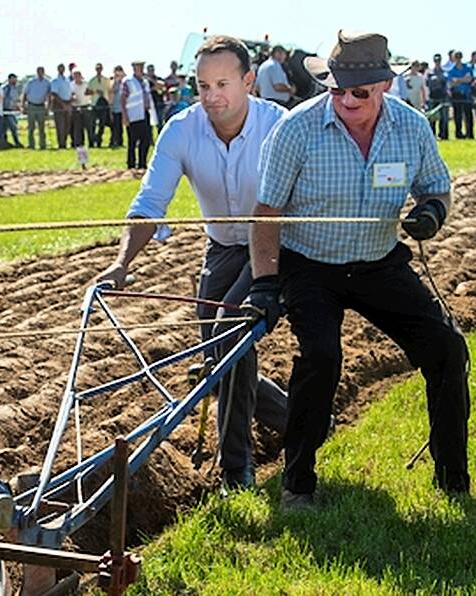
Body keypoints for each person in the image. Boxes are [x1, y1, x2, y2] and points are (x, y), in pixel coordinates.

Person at [249, 30, 470, 510]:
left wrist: (431, 213)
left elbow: (437, 188)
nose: (346, 99)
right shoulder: (295, 129)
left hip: (378, 261)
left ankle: (453, 479)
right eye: (336, 88)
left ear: (385, 85)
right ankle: (297, 484)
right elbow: (265, 212)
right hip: (310, 265)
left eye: (359, 91)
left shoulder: (411, 128)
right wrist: (266, 282)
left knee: (448, 350)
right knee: (322, 359)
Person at [97, 35, 289, 493]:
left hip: (277, 245)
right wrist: (121, 263)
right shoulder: (181, 130)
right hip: (222, 245)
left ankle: (235, 468)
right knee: (219, 354)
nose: (211, 96)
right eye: (203, 85)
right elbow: (149, 204)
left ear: (248, 82)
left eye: (222, 83)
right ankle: (303, 419)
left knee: (230, 328)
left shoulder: (279, 126)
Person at [121, 60, 153, 170]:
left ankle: (142, 163)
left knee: (146, 140)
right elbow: (123, 99)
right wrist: (125, 116)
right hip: (133, 115)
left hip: (144, 114)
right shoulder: (128, 81)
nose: (141, 69)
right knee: (132, 141)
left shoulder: (145, 82)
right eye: (139, 67)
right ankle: (131, 164)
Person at [446, 51, 473, 139]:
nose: (458, 59)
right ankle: (459, 134)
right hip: (456, 94)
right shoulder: (451, 70)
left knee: (468, 115)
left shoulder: (468, 68)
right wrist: (463, 79)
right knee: (458, 115)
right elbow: (451, 83)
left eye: (459, 57)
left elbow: (469, 79)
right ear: (454, 58)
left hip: (467, 94)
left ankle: (470, 134)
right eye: (456, 57)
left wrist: (457, 80)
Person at [23, 66, 50, 149]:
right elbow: (25, 94)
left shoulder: (47, 82)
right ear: (37, 72)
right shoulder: (31, 82)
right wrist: (23, 106)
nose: (40, 73)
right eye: (39, 71)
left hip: (41, 106)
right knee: (31, 127)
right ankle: (31, 144)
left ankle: (42, 145)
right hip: (31, 106)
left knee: (42, 127)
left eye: (42, 71)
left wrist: (47, 108)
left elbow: (49, 95)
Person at [87, 63, 111, 148]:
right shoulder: (92, 80)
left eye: (100, 68)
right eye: (97, 68)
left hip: (104, 104)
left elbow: (110, 91)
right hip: (94, 104)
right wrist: (95, 91)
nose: (98, 70)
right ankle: (92, 141)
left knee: (102, 125)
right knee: (92, 125)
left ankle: (99, 141)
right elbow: (87, 92)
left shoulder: (106, 80)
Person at [427, 54, 450, 140]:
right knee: (432, 118)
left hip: (443, 97)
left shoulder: (444, 72)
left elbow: (446, 81)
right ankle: (432, 135)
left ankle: (443, 135)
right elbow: (428, 83)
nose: (437, 62)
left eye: (439, 60)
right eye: (436, 60)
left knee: (444, 118)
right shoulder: (430, 72)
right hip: (432, 97)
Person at [51, 63, 73, 149]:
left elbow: (71, 92)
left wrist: (69, 103)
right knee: (60, 125)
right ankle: (61, 144)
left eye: (63, 68)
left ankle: (65, 142)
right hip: (59, 104)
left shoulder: (67, 80)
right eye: (60, 68)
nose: (62, 70)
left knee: (67, 126)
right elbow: (54, 94)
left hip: (68, 103)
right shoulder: (55, 81)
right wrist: (63, 104)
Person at [70, 70, 93, 147]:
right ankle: (79, 143)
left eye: (78, 75)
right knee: (78, 127)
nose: (77, 77)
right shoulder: (71, 85)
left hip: (86, 106)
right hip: (76, 107)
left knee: (89, 127)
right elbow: (71, 94)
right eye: (75, 76)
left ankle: (91, 143)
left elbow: (91, 92)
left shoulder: (86, 83)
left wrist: (89, 93)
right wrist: (73, 97)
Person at [2, 73, 24, 148]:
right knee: (9, 127)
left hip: (12, 111)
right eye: (14, 78)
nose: (15, 80)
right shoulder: (5, 88)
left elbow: (15, 100)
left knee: (13, 127)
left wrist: (18, 106)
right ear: (10, 79)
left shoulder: (15, 89)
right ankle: (8, 142)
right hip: (5, 110)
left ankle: (15, 142)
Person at [146, 64, 166, 130]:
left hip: (159, 103)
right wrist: (153, 88)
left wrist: (152, 80)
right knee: (149, 124)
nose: (151, 71)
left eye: (152, 70)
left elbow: (162, 85)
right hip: (150, 104)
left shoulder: (158, 78)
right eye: (149, 70)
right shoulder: (145, 81)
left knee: (160, 123)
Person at [109, 66, 125, 148]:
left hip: (123, 108)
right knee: (115, 127)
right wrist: (116, 80)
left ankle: (120, 141)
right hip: (115, 108)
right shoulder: (113, 81)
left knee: (121, 127)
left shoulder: (124, 81)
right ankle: (113, 142)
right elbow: (112, 90)